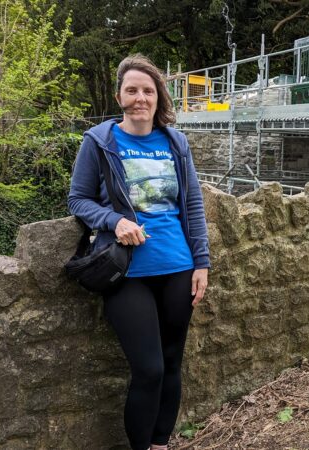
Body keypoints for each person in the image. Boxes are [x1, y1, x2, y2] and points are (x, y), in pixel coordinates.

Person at [68, 54, 210, 450]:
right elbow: (77, 199)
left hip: (178, 266)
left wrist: (202, 262)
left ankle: (162, 443)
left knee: (171, 363)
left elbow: (193, 206)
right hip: (125, 270)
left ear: (157, 96)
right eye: (132, 90)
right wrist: (115, 221)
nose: (140, 98)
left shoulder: (175, 143)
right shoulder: (100, 142)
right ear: (120, 96)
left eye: (148, 90)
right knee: (148, 369)